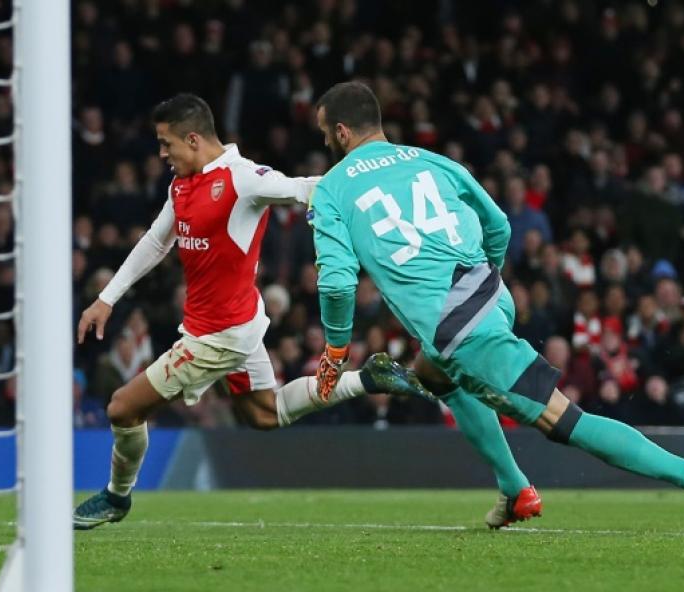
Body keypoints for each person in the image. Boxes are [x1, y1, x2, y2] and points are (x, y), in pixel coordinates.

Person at [309, 81, 684, 534]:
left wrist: (336, 350)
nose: (326, 144)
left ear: (342, 133)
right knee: (435, 374)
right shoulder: (431, 161)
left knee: (562, 419)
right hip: (490, 293)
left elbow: (339, 285)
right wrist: (486, 276)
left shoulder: (333, 189)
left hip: (464, 329)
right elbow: (498, 223)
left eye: (325, 135)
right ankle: (515, 488)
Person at [72, 93, 432, 530]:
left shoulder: (242, 179)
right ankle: (366, 378)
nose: (162, 154)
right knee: (263, 414)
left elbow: (303, 187)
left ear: (192, 138)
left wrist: (378, 190)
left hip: (217, 337)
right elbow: (155, 241)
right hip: (234, 325)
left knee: (121, 409)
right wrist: (107, 297)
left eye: (167, 144)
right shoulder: (181, 184)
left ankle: (117, 496)